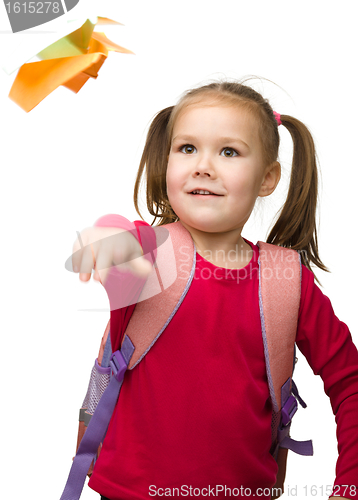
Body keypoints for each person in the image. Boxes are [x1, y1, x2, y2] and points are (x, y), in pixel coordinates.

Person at [71, 80, 358, 499]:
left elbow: (349, 382)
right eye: (187, 148)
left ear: (268, 177)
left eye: (229, 151)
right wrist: (100, 241)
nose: (203, 166)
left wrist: (348, 486)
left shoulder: (288, 281)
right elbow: (111, 237)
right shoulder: (146, 253)